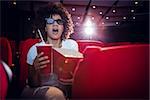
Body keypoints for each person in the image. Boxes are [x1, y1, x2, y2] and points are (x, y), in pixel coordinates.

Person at [21, 2, 78, 100]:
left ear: (63, 27)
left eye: (59, 21)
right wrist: (35, 69)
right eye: (50, 21)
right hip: (38, 89)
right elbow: (32, 83)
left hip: (64, 91)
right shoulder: (34, 49)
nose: (55, 24)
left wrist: (75, 80)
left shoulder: (72, 45)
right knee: (55, 95)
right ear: (45, 27)